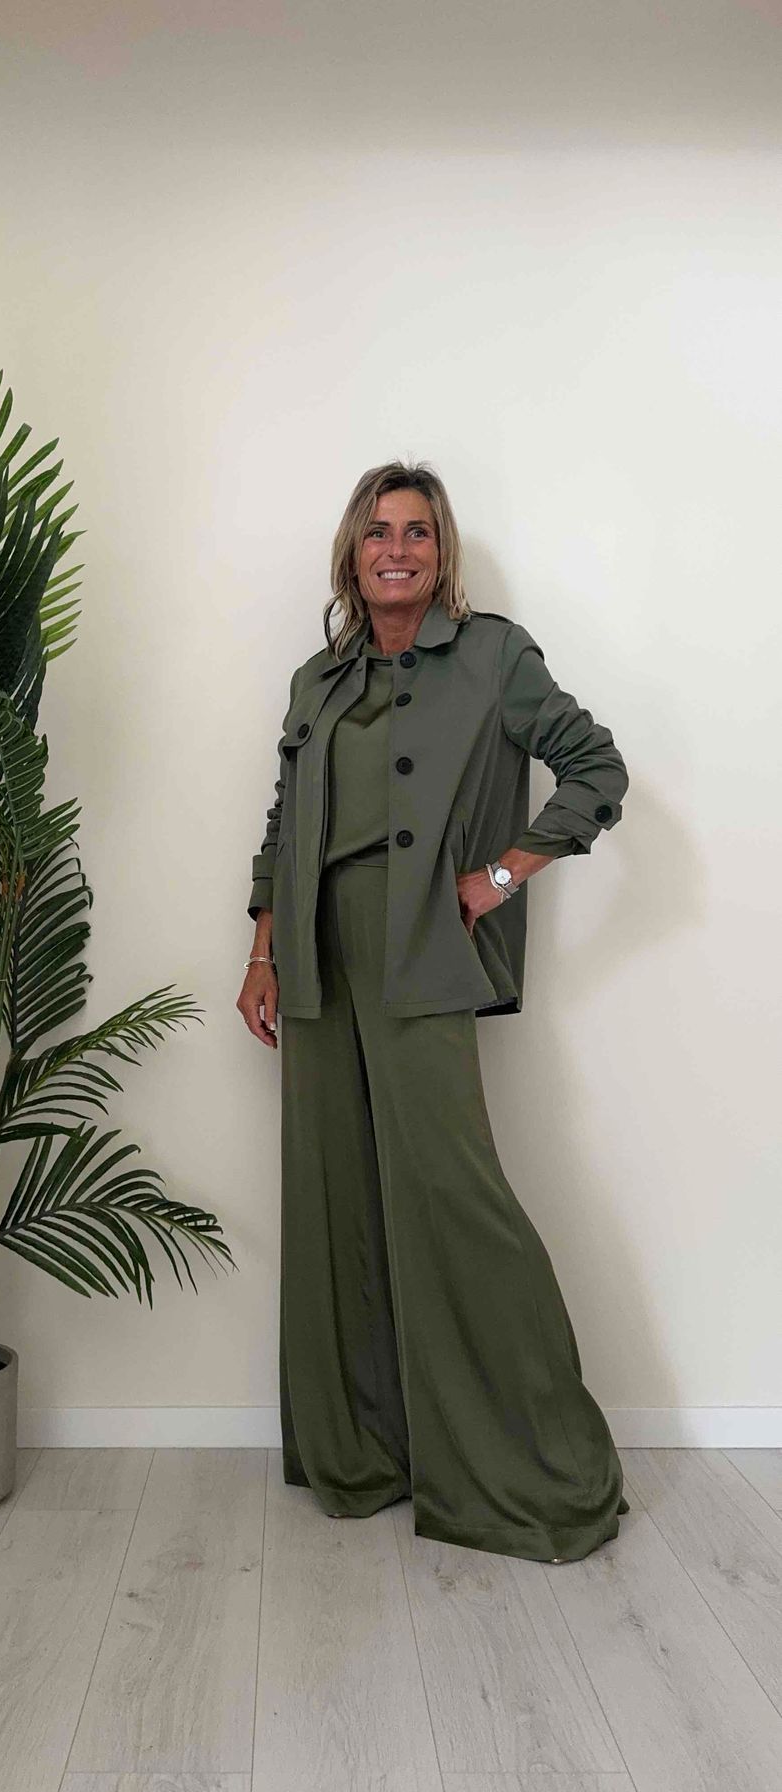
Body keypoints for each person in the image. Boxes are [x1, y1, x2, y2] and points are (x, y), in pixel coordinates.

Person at [236, 459, 631, 1564]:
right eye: (377, 532)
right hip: (315, 959)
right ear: (351, 554)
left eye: (415, 531)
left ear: (439, 551)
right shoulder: (316, 681)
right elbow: (281, 822)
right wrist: (263, 950)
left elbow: (594, 771)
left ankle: (527, 1467)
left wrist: (499, 878)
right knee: (336, 1201)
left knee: (451, 1197)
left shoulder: (494, 656)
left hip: (423, 949)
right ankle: (366, 1457)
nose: (395, 548)